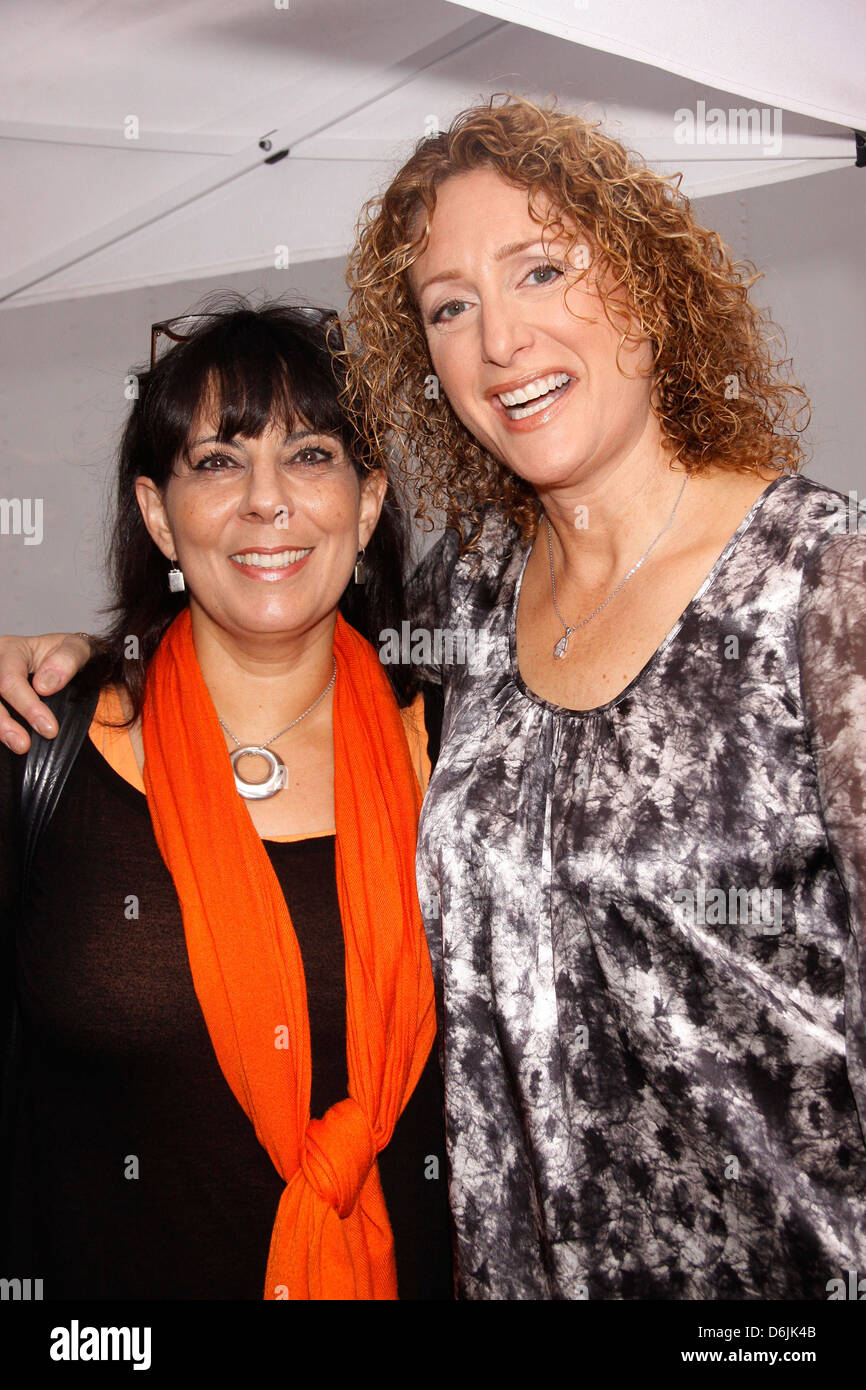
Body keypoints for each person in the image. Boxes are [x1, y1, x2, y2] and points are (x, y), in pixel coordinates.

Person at [4, 96, 866, 1301]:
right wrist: (51, 659)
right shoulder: (471, 605)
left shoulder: (824, 589)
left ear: (650, 286)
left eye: (541, 269)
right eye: (450, 306)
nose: (500, 339)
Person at [0, 300, 453, 1301]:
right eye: (217, 461)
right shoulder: (37, 748)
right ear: (159, 513)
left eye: (309, 455)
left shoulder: (462, 754)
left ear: (367, 503)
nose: (266, 502)